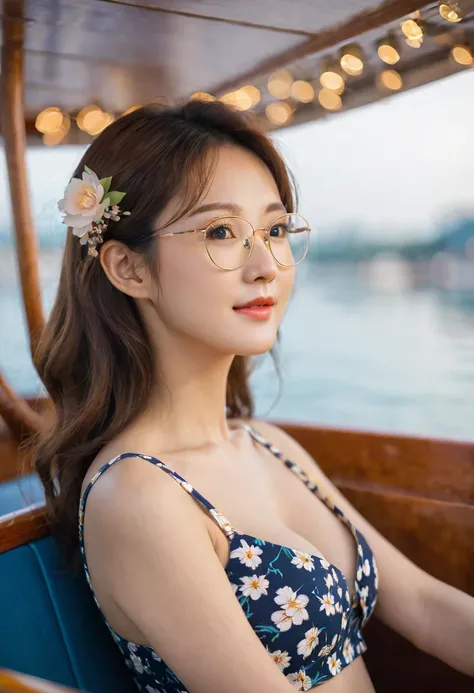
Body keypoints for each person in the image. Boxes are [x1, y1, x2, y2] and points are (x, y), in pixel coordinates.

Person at [33, 100, 474, 693]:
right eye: (222, 232)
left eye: (274, 230)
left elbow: (422, 605)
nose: (267, 264)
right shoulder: (139, 495)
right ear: (128, 269)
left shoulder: (269, 444)